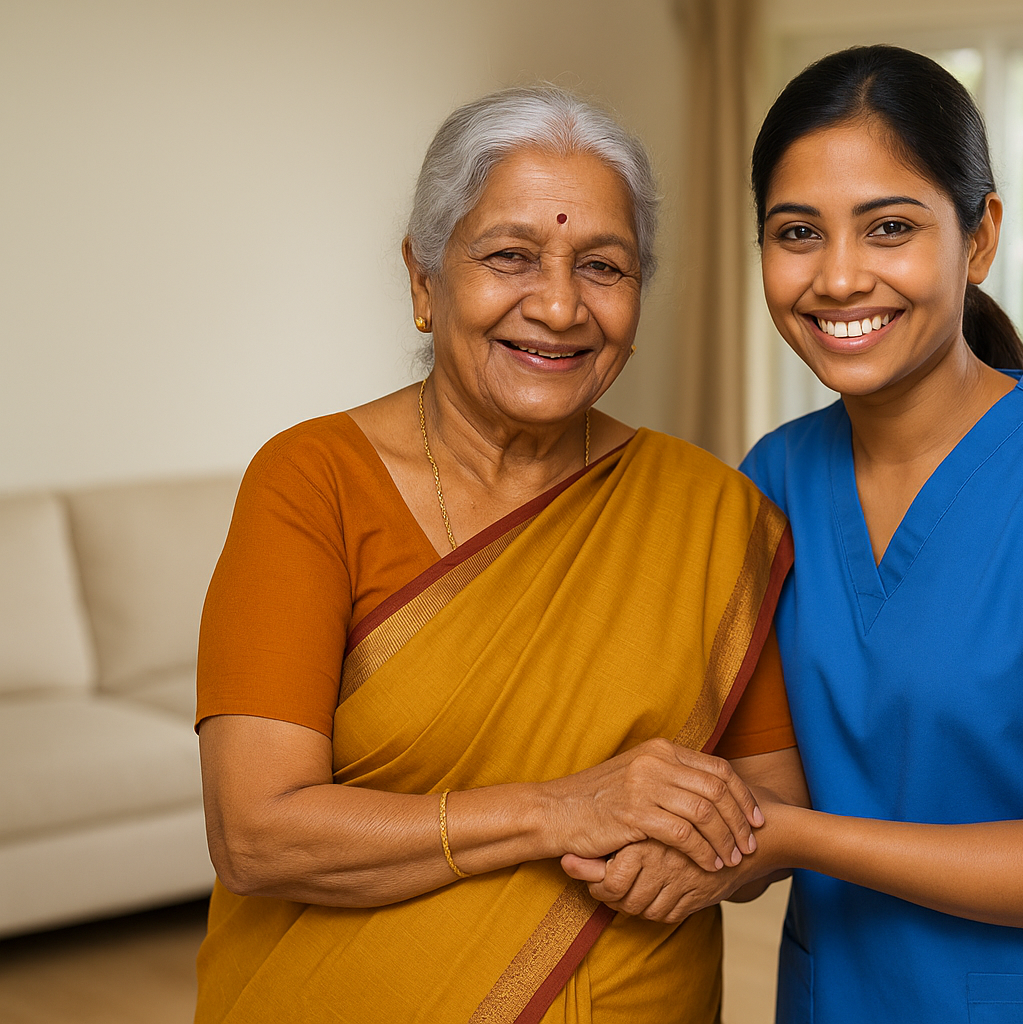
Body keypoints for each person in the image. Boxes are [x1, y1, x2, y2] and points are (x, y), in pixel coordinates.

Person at [566, 46, 1023, 1022]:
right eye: (797, 231)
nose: (839, 278)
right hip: (849, 993)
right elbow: (750, 784)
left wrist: (800, 838)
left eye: (889, 228)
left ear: (979, 238)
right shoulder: (772, 480)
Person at [193, 86, 804, 1024]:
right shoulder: (310, 482)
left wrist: (699, 852)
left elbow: (769, 806)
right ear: (423, 280)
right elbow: (257, 835)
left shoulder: (712, 511)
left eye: (603, 266)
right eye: (510, 256)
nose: (559, 306)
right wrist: (562, 810)